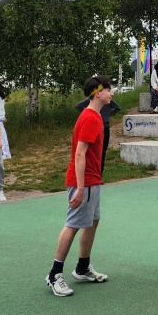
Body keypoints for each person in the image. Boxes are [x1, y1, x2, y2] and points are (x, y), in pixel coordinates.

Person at [46, 76, 113, 298]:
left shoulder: (94, 116)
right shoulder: (91, 118)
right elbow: (79, 153)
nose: (112, 93)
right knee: (73, 224)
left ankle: (82, 268)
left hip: (93, 180)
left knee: (92, 221)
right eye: (108, 90)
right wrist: (81, 187)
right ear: (97, 93)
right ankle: (55, 274)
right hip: (83, 181)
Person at [75, 89, 123, 176]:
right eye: (108, 90)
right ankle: (89, 172)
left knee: (103, 151)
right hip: (95, 126)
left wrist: (108, 114)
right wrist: (87, 113)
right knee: (92, 151)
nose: (111, 94)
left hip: (105, 126)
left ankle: (99, 174)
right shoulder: (91, 101)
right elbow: (78, 106)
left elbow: (118, 108)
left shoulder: (109, 101)